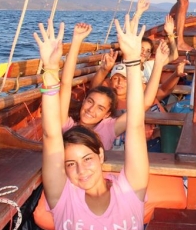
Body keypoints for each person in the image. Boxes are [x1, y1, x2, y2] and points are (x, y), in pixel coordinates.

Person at [33, 15, 148, 230]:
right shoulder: (63, 197)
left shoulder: (130, 190)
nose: (81, 170)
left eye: (87, 159)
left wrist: (133, 61)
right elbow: (50, 135)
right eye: (70, 164)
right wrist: (50, 69)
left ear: (100, 155)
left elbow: (136, 125)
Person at [58, 22, 172, 151]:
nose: (91, 109)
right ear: (84, 101)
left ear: (107, 114)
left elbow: (145, 103)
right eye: (90, 101)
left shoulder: (109, 128)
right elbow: (65, 84)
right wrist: (76, 41)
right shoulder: (66, 125)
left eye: (100, 108)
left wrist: (158, 64)